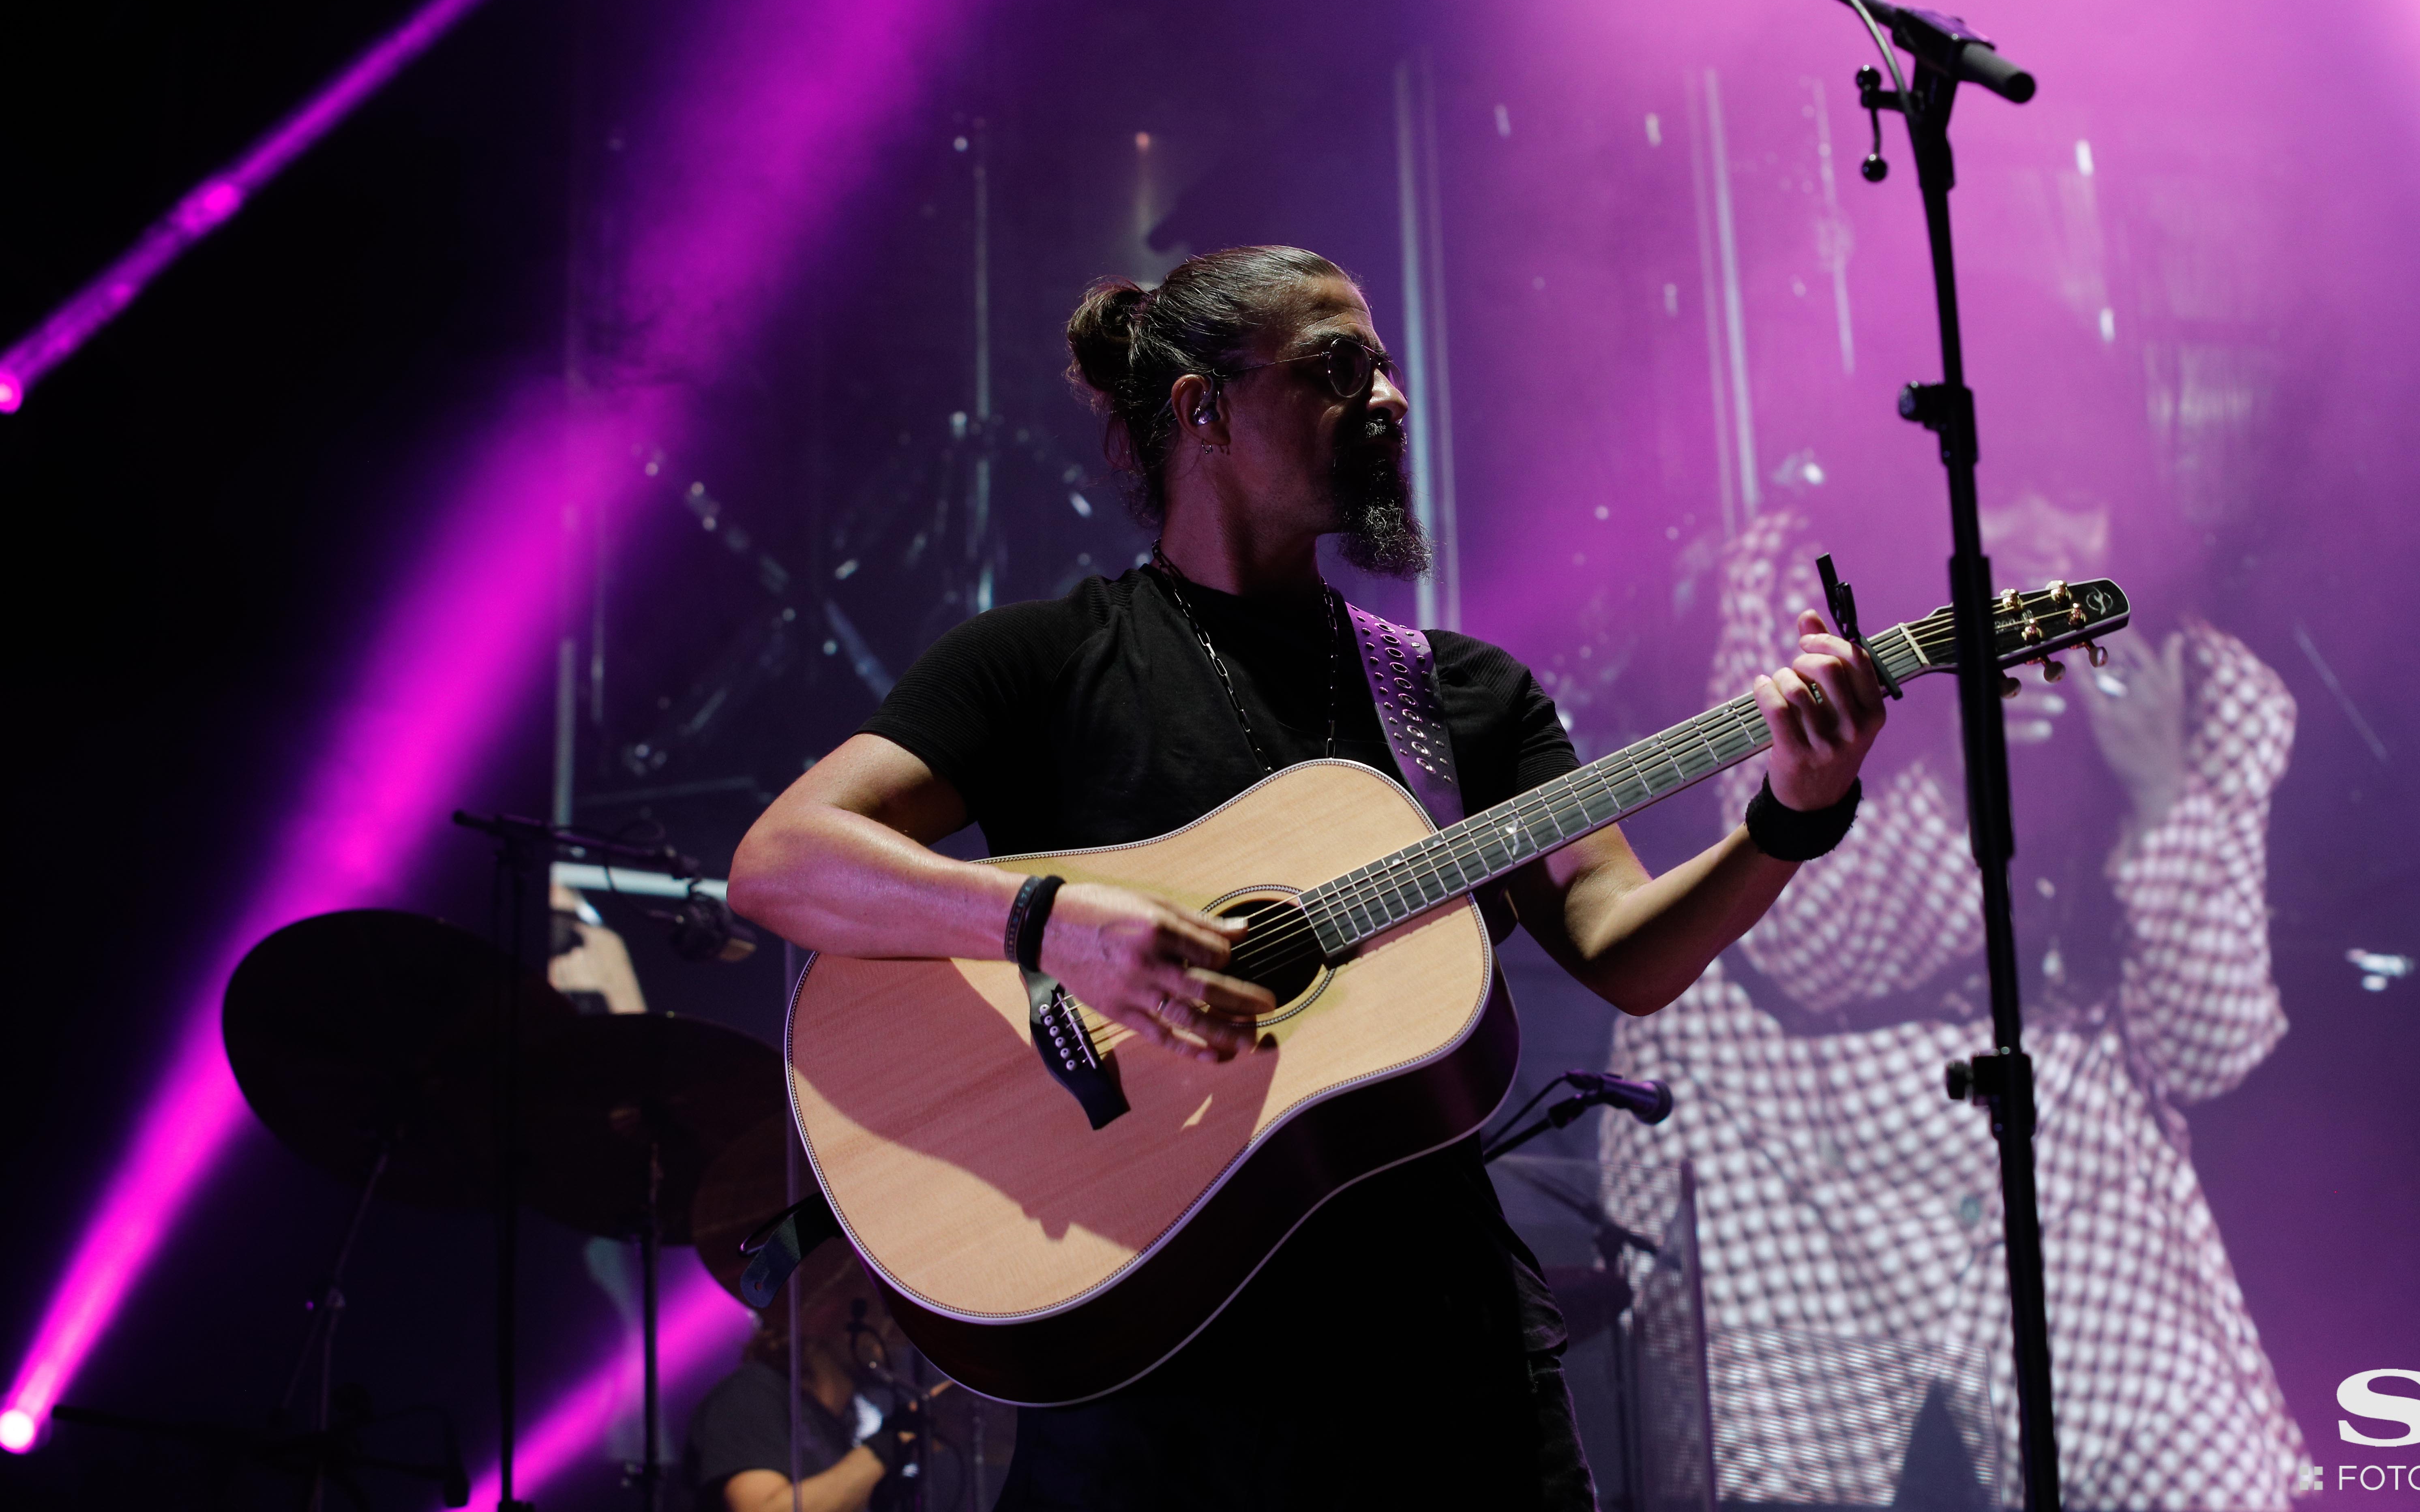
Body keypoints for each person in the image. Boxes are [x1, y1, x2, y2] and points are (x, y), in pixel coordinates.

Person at [726, 245, 1888, 1509]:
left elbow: (1622, 945)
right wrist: (1050, 924)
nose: (1388, 395)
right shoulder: (1047, 660)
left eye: (1384, 364)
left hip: (1442, 1368)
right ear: (1201, 408)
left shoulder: (1458, 694)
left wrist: (1788, 815)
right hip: (1151, 1368)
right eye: (1340, 366)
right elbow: (784, 859)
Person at [1601, 501, 2314, 1512]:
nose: (2039, 537)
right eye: (2009, 494)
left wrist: (2161, 797)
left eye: (2077, 498)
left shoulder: (2216, 693)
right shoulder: (1805, 582)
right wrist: (1948, 760)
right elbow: (1806, 958)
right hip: (1779, 1115)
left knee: (2206, 1478)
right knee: (1774, 1489)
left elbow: (2211, 1052)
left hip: (2047, 1118)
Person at [687, 1249, 913, 1512]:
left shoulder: (844, 1420)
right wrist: (894, 1441)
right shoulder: (752, 1393)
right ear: (829, 1314)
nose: (894, 1329)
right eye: (882, 1310)